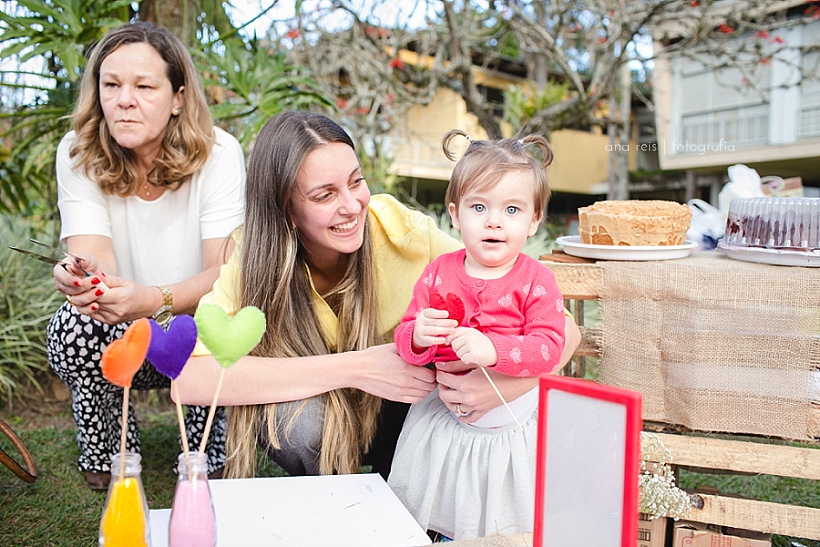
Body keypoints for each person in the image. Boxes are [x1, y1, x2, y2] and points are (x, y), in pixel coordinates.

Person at [175, 111, 580, 482]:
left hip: (403, 413)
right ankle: (333, 498)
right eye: (324, 195)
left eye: (356, 181)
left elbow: (566, 333)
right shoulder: (253, 257)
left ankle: (400, 488)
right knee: (299, 425)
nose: (352, 206)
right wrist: (355, 368)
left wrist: (502, 389)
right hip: (320, 422)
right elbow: (188, 379)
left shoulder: (398, 230)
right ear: (286, 211)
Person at [46, 21, 245, 491]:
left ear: (178, 97)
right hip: (121, 328)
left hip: (191, 320)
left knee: (216, 318)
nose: (124, 99)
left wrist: (154, 299)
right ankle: (110, 449)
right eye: (111, 85)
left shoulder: (219, 154)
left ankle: (204, 442)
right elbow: (94, 260)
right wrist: (83, 278)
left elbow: (225, 274)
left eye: (143, 86)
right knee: (74, 326)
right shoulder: (78, 152)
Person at [388, 129, 567, 541]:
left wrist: (493, 348)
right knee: (447, 499)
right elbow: (406, 337)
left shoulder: (537, 280)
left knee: (506, 512)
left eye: (512, 210)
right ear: (454, 213)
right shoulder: (438, 272)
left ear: (535, 218)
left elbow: (549, 348)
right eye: (479, 206)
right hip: (446, 427)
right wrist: (417, 337)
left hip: (513, 427)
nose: (494, 221)